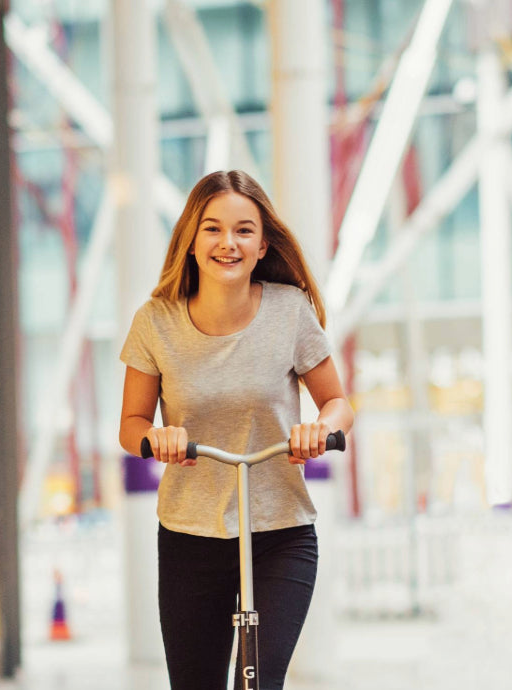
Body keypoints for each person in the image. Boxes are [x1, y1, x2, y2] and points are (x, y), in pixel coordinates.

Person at [117, 170, 354, 690]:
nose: (229, 243)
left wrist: (319, 429)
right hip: (189, 535)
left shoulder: (289, 312)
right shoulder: (155, 321)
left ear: (262, 242)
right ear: (191, 240)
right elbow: (130, 424)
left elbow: (337, 402)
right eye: (213, 229)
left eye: (244, 230)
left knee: (259, 682)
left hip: (280, 532)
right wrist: (158, 437)